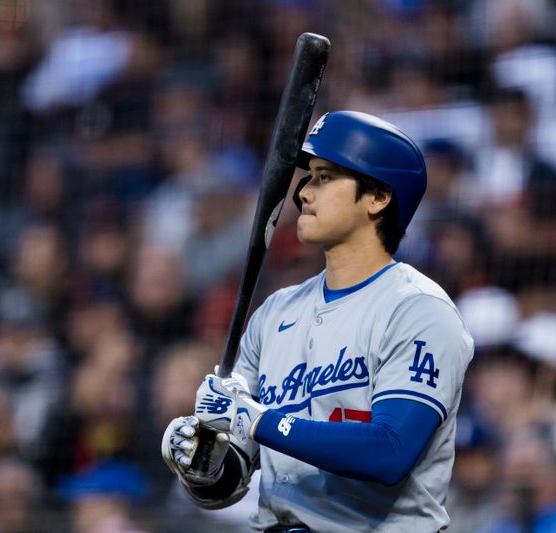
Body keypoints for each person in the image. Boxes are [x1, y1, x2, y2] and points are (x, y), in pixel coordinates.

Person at [161, 111, 475, 532]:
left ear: (378, 197)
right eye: (309, 177)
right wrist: (205, 463)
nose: (304, 193)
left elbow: (389, 451)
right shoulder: (274, 313)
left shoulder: (418, 309)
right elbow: (232, 482)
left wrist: (257, 420)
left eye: (325, 177)